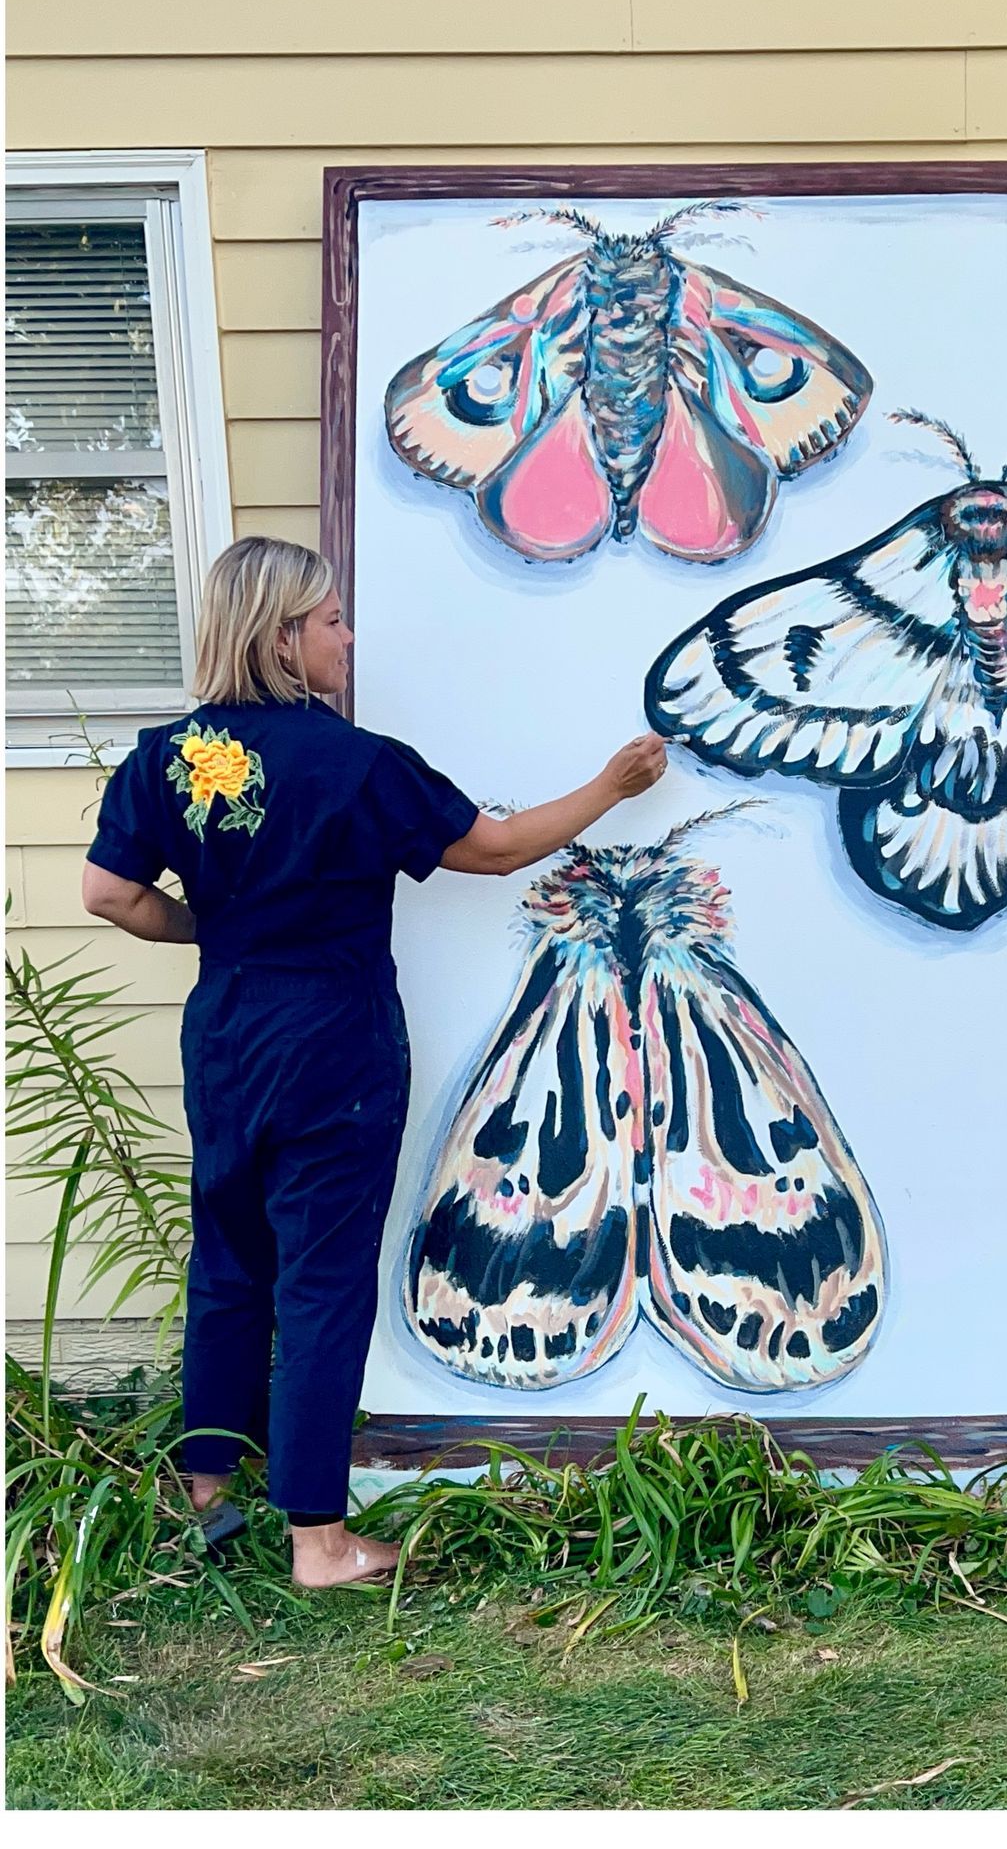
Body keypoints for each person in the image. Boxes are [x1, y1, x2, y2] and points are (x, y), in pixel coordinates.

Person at [80, 536, 668, 1587]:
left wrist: (208, 930)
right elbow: (492, 848)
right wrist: (610, 786)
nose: (349, 636)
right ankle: (320, 1539)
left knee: (225, 1258)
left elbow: (109, 893)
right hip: (333, 1040)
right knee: (322, 1276)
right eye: (332, 619)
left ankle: (202, 1491)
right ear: (282, 638)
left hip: (226, 1030)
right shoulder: (358, 763)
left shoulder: (164, 757)